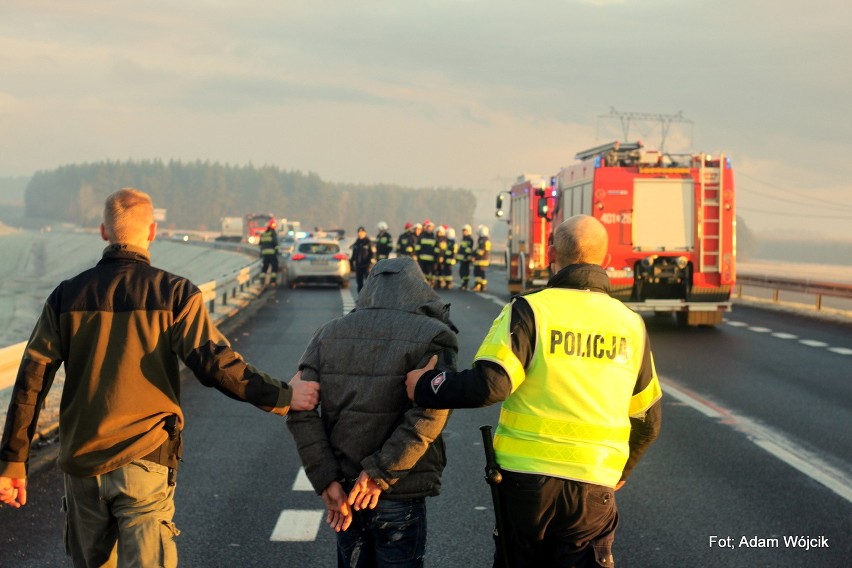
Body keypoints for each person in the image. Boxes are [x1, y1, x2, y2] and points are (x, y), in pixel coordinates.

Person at [0, 188, 319, 568]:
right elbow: (215, 365)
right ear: (151, 232)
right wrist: (283, 396)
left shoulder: (65, 296)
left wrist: (14, 460)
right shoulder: (176, 294)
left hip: (81, 463)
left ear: (104, 231)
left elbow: (32, 380)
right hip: (146, 458)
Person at [405, 215, 662, 568]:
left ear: (552, 252)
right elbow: (647, 419)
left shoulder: (529, 310)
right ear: (605, 258)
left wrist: (425, 385)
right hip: (594, 484)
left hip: (527, 484)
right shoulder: (631, 324)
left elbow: (489, 384)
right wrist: (621, 471)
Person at [287, 256, 458, 568]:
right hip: (398, 488)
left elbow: (299, 408)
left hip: (346, 490)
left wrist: (326, 479)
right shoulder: (434, 335)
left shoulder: (327, 334)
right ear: (419, 289)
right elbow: (431, 412)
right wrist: (380, 473)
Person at [350, 226, 373, 293]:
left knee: (369, 283)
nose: (359, 233)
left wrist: (369, 263)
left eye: (361, 232)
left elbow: (372, 254)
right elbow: (353, 255)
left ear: (364, 233)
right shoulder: (356, 243)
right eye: (358, 232)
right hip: (358, 266)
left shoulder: (368, 242)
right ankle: (360, 299)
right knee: (359, 283)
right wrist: (351, 264)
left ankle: (369, 299)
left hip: (366, 266)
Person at [415, 220, 437, 287]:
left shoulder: (434, 238)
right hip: (422, 258)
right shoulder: (422, 236)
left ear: (433, 229)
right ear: (426, 228)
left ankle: (428, 282)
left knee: (429, 272)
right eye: (428, 227)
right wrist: (417, 255)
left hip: (431, 259)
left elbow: (436, 249)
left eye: (431, 228)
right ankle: (423, 283)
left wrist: (436, 258)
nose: (429, 229)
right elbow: (418, 247)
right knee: (421, 271)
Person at [259, 219, 280, 285]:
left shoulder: (264, 233)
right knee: (274, 266)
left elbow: (260, 243)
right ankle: (273, 281)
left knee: (265, 267)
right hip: (272, 253)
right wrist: (277, 251)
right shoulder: (273, 233)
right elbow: (275, 243)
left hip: (264, 253)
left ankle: (262, 280)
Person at [471, 225, 491, 292]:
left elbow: (480, 251)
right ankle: (480, 286)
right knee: (479, 273)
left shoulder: (483, 240)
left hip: (481, 260)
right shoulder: (484, 240)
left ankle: (480, 286)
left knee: (480, 273)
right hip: (482, 260)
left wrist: (474, 256)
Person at [457, 224, 474, 291]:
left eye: (466, 231)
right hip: (462, 259)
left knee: (465, 272)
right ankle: (463, 283)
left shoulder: (470, 240)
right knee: (462, 272)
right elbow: (461, 249)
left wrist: (466, 255)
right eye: (464, 231)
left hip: (466, 259)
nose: (464, 232)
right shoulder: (463, 239)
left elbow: (468, 249)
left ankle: (465, 284)